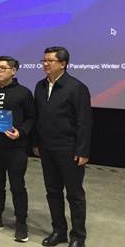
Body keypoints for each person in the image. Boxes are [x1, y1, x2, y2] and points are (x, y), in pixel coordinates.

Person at [33, 47, 92, 247]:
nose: (45, 64)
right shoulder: (40, 86)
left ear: (63, 64)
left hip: (69, 149)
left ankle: (78, 236)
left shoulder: (76, 87)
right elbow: (38, 117)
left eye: (50, 60)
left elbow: (84, 122)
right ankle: (59, 231)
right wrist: (36, 142)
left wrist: (82, 151)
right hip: (47, 148)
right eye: (44, 60)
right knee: (53, 192)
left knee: (74, 195)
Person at [0, 56, 35, 242]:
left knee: (17, 186)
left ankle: (21, 223)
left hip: (16, 148)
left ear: (14, 71)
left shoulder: (24, 93)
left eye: (3, 68)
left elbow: (31, 117)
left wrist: (21, 132)